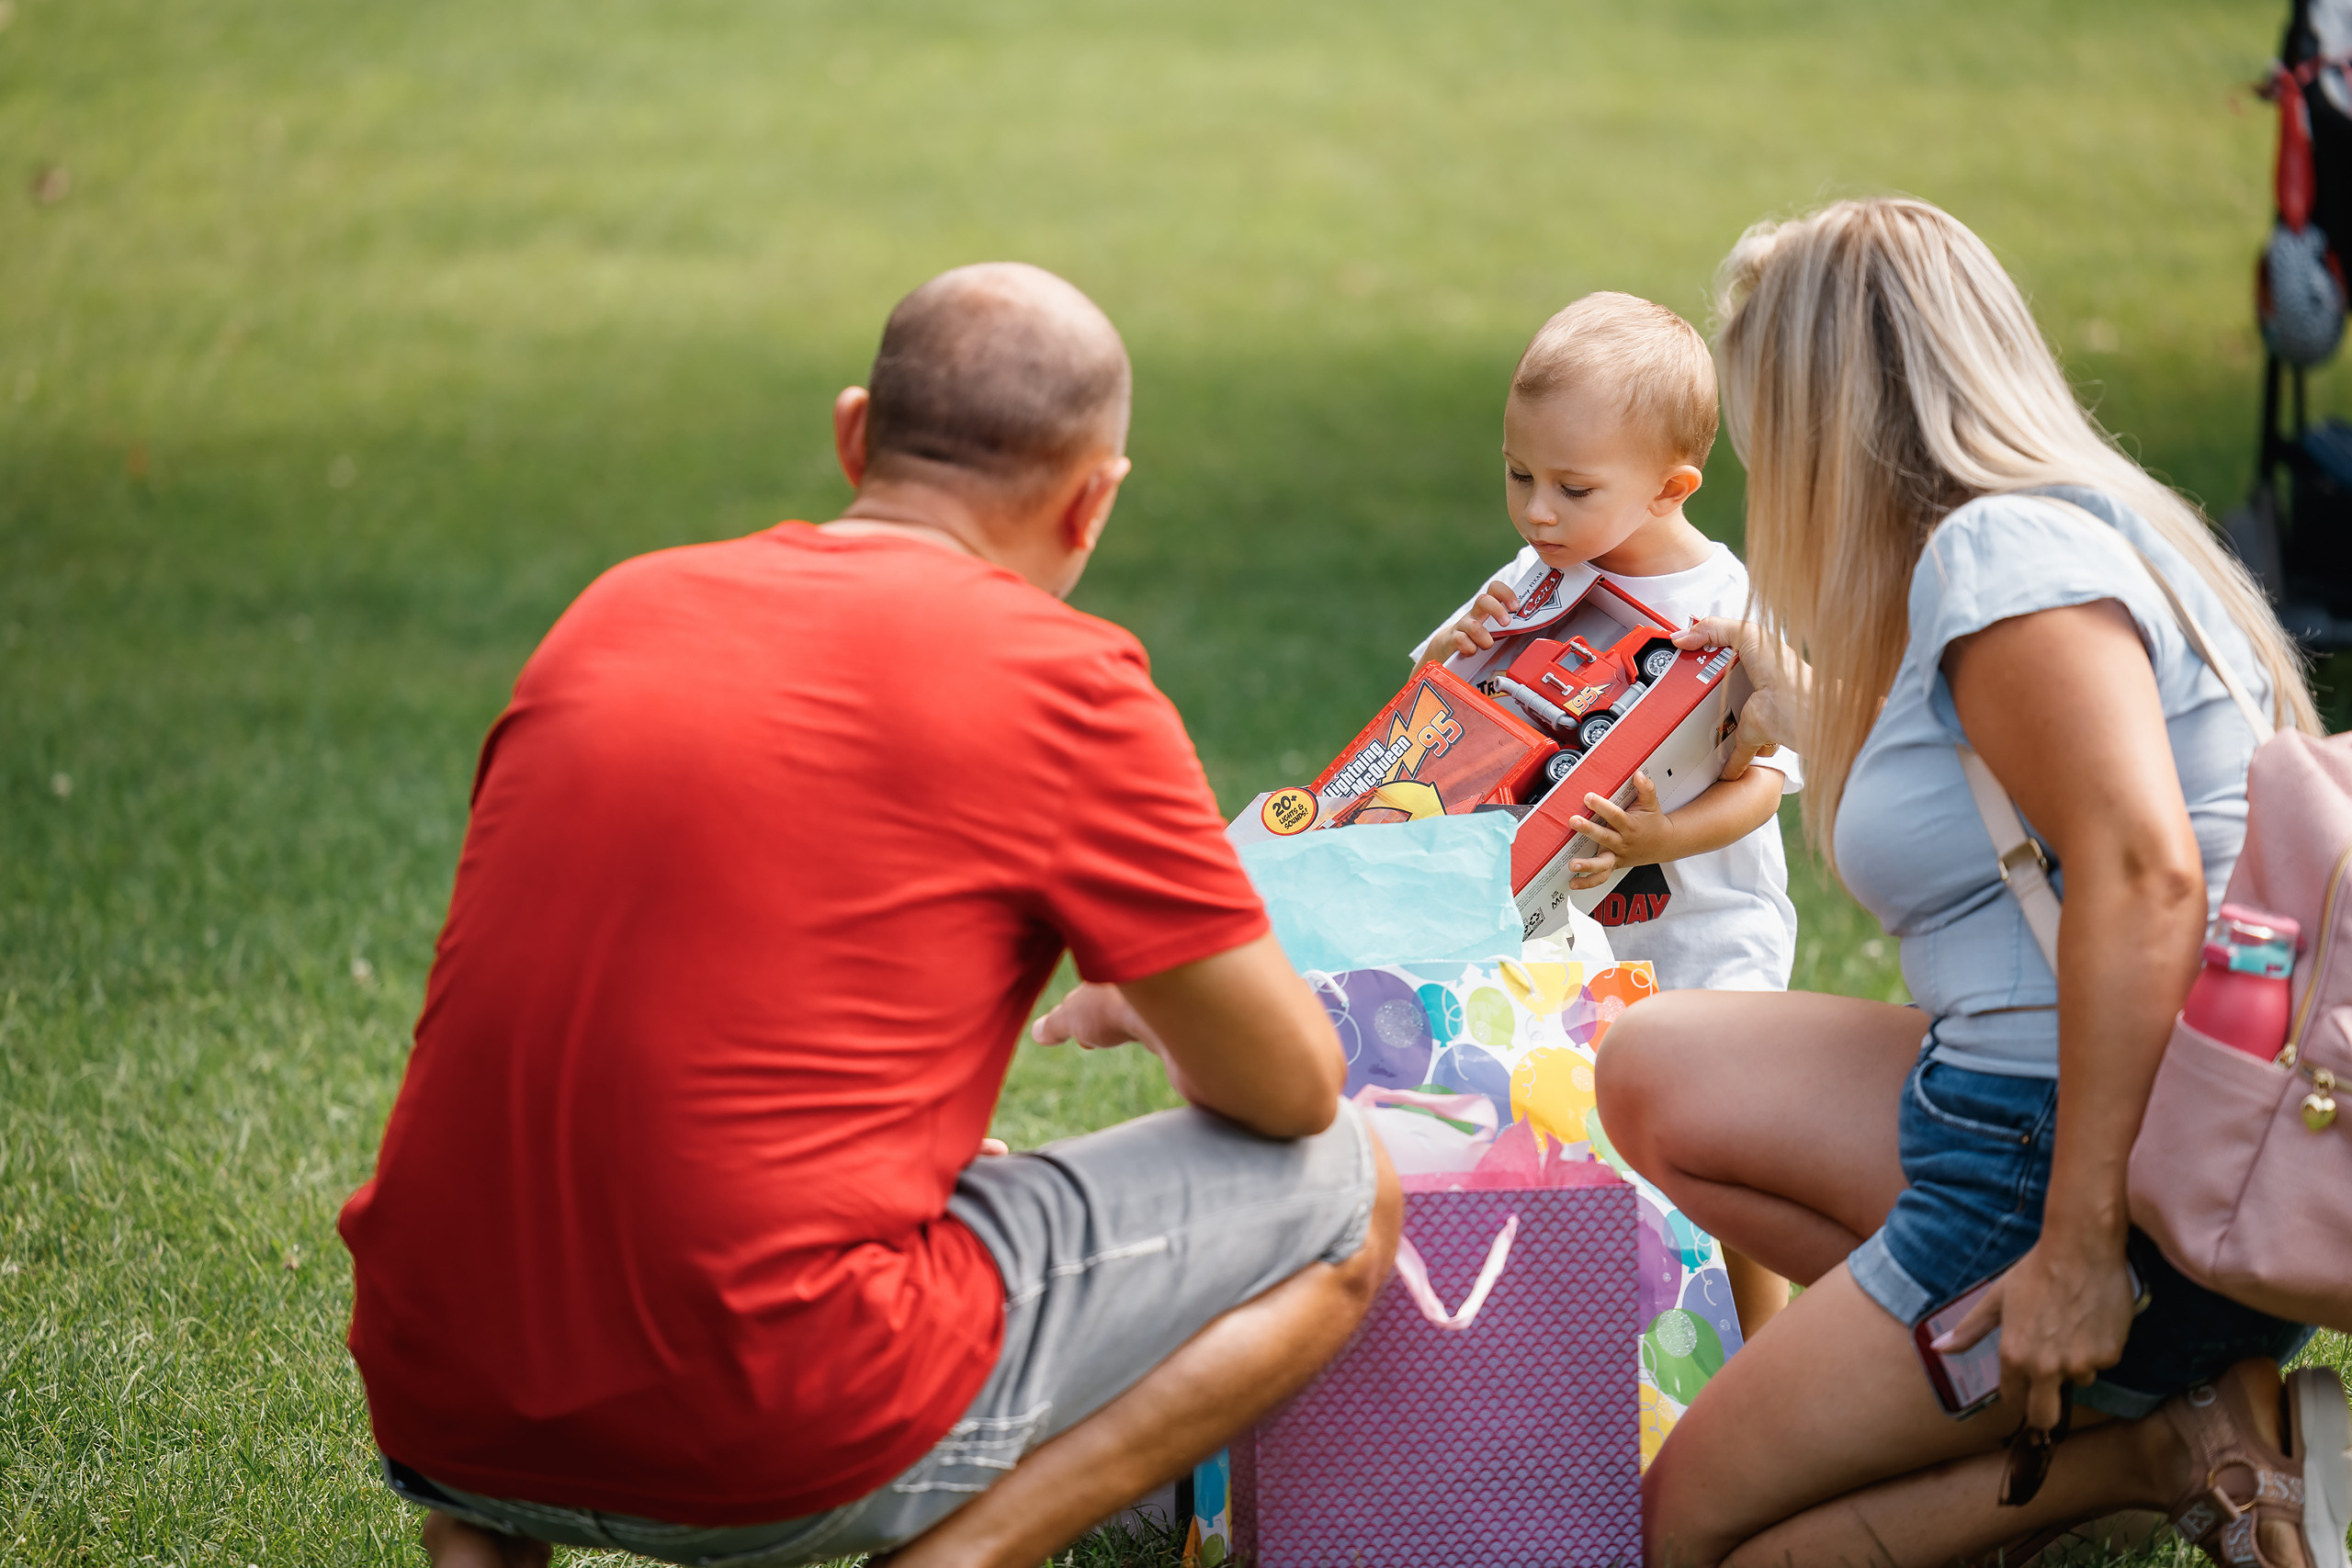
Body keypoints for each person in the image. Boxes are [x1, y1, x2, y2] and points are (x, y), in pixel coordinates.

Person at [337, 261, 1401, 1568]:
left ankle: (485, 1539)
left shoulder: (618, 607)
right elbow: (1292, 1093)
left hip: (443, 1390)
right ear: (1094, 500)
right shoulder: (1065, 682)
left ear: (854, 432)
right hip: (775, 1430)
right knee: (1348, 1187)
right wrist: (1157, 998)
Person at [1592, 197, 2351, 1568]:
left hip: (2064, 1167)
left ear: (1830, 402)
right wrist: (1805, 706)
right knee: (1655, 1068)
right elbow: (2022, 804)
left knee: (1691, 1537)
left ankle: (2156, 1439)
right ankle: (2118, 1392)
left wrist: (2072, 1249)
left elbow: (2141, 869)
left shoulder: (2004, 561)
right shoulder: (2085, 525)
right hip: (2077, 1117)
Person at [1418, 291, 1800, 1337]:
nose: (1537, 512)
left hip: (1703, 930)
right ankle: (1593, 1347)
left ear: (1671, 487)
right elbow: (1437, 716)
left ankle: (1768, 1349)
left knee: (1723, 1148)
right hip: (1570, 939)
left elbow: (1768, 778)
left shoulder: (1730, 607)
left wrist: (1663, 837)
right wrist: (1464, 644)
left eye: (1572, 487)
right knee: (1581, 1131)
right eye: (1518, 475)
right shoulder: (1540, 577)